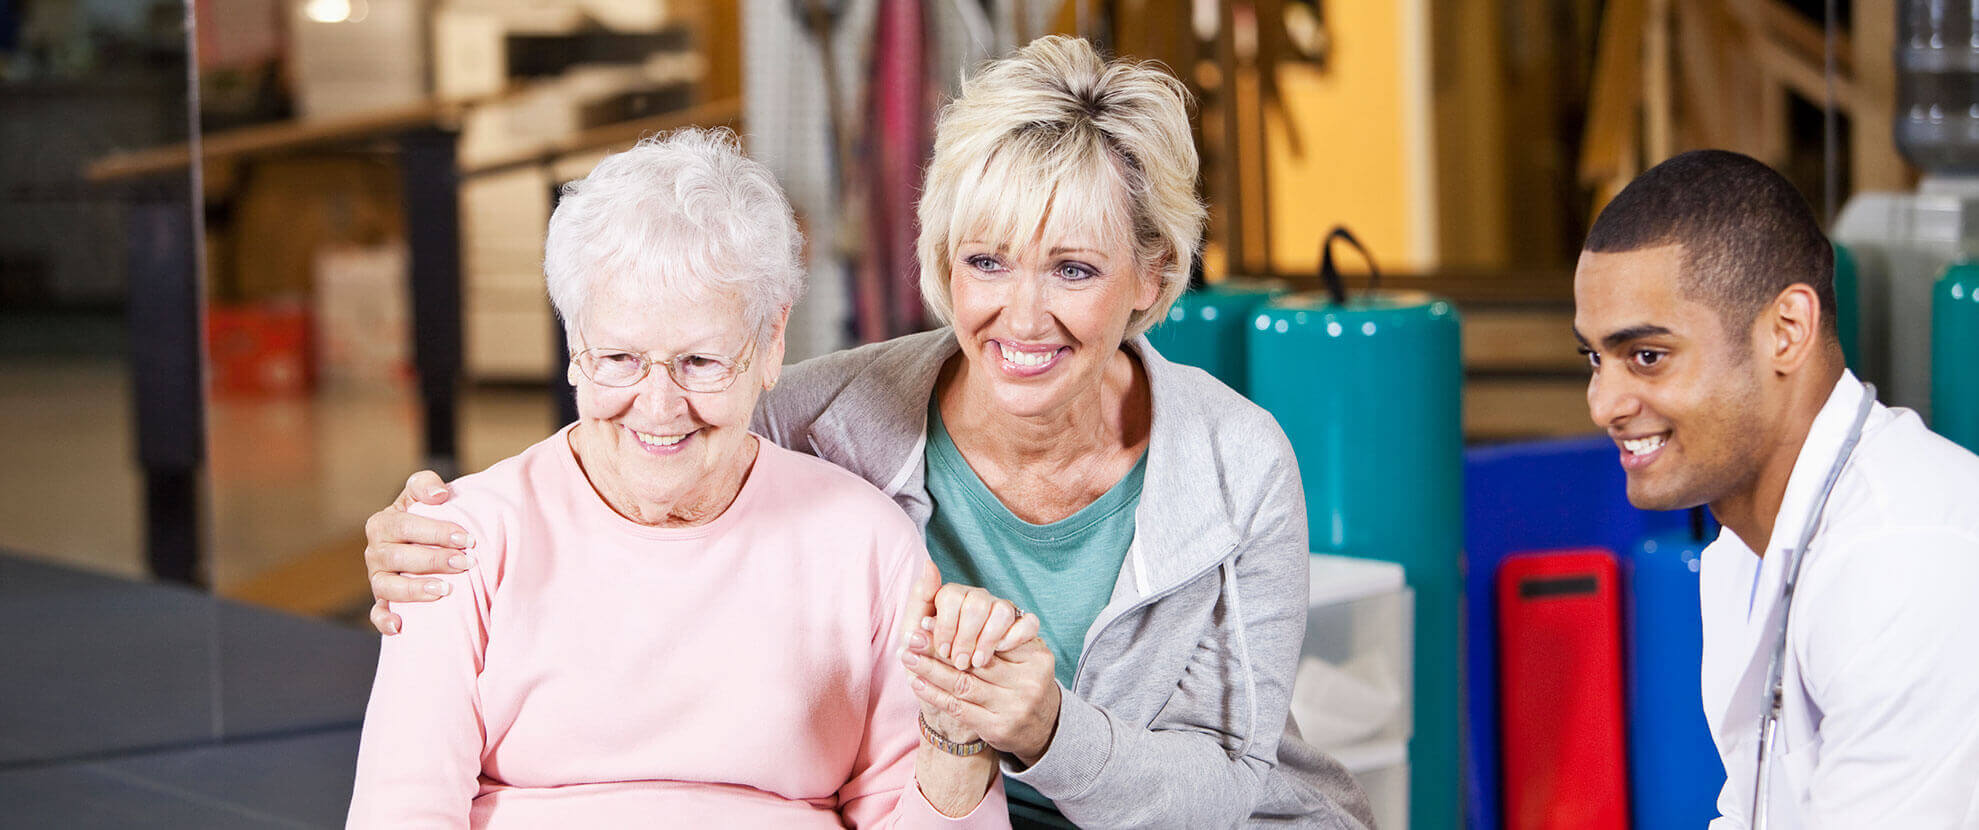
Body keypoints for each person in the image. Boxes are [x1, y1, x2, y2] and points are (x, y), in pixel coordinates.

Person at [361, 36, 1372, 829]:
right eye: (985, 261)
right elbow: (645, 436)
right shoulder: (812, 416)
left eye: (1071, 268)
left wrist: (1035, 725)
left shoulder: (1232, 464)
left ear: (1152, 275)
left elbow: (1217, 791)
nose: (1020, 317)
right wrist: (423, 543)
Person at [345, 129, 1008, 828]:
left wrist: (955, 745)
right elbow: (404, 809)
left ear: (772, 343)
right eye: (620, 359)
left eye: (699, 362)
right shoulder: (459, 542)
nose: (658, 408)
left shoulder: (866, 538)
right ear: (574, 348)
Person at [1573, 149, 1979, 827]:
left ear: (1785, 332)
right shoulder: (1746, 545)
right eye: (1594, 358)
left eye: (1646, 356)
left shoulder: (1909, 559)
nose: (1602, 403)